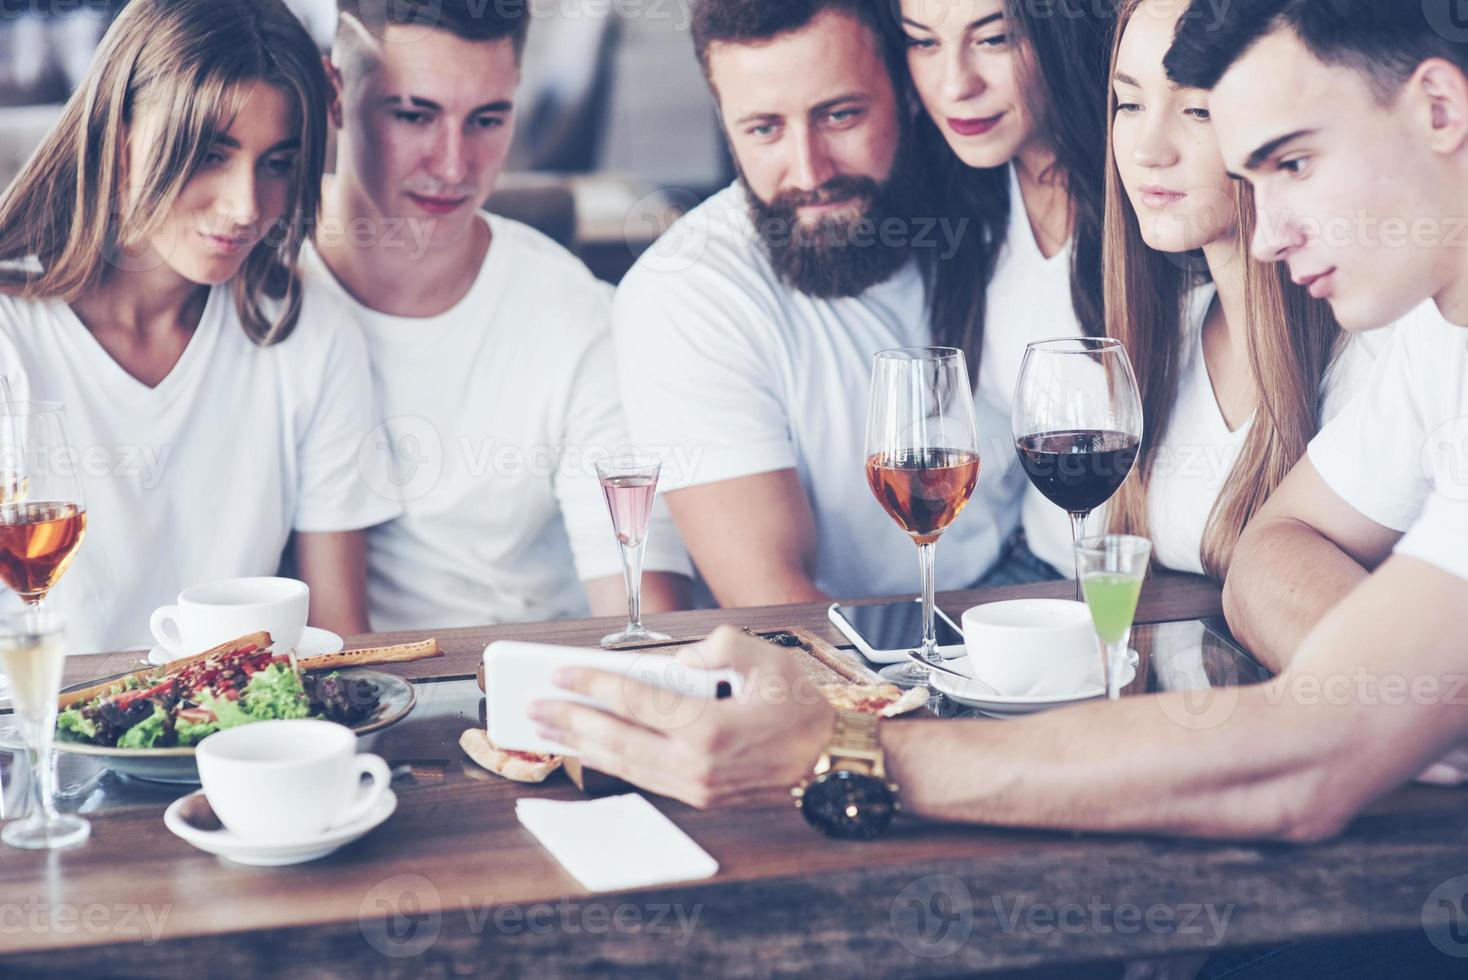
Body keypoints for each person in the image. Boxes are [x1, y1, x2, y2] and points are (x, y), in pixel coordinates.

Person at [531, 0, 1468, 897]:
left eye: (1293, 163)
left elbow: (1299, 769)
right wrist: (1391, 693)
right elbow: (1275, 545)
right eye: (1129, 105)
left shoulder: (1391, 331)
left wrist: (839, 751)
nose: (1268, 233)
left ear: (1439, 108)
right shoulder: (1437, 340)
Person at [0, 0, 397, 654]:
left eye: (277, 162)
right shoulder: (14, 337)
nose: (246, 206)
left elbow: (339, 641)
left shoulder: (307, 335)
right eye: (211, 153)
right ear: (119, 134)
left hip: (240, 749)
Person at [612, 0, 1018, 606]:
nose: (809, 170)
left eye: (840, 116)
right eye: (764, 128)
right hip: (843, 648)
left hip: (1032, 600)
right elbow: (774, 600)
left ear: (909, 92)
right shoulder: (687, 291)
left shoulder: (1002, 210)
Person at [307, 0, 691, 630]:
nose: (454, 166)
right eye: (413, 114)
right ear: (334, 94)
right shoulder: (260, 293)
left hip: (529, 681)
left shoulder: (576, 314)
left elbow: (640, 607)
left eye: (487, 119)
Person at [1101, 0, 1386, 580]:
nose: (1147, 150)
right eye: (1129, 103)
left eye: (1198, 111)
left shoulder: (1376, 353)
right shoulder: (1168, 334)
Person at [891, 0, 1113, 582]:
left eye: (995, 40)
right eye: (923, 42)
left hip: (1153, 592)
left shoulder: (1153, 192)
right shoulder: (962, 203)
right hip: (1032, 571)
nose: (954, 85)